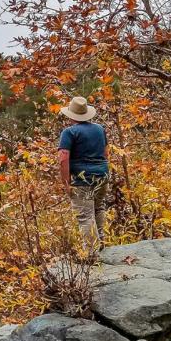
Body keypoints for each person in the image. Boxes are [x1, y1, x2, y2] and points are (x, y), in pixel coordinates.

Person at [57, 96, 109, 252]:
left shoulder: (69, 132)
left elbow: (63, 158)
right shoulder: (99, 129)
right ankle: (102, 246)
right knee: (98, 208)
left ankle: (92, 254)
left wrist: (66, 183)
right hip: (102, 175)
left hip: (82, 179)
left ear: (71, 115)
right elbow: (106, 153)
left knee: (85, 216)